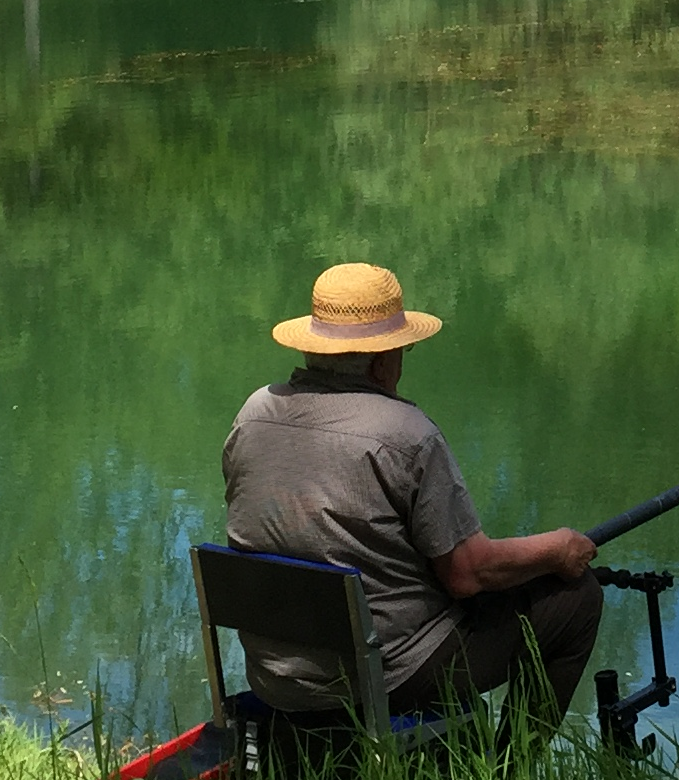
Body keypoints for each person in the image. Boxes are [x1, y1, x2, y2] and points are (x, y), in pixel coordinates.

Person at [223, 262, 601, 738]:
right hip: (381, 678)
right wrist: (557, 548)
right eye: (401, 350)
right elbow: (467, 573)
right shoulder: (405, 435)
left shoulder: (253, 414)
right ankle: (512, 765)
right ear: (383, 362)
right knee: (576, 601)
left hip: (276, 676)